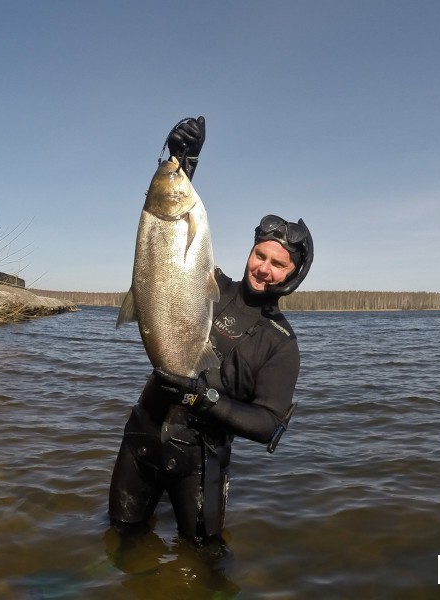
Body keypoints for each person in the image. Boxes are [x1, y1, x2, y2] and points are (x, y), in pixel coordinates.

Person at [108, 116, 313, 550]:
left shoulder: (280, 342)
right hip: (143, 436)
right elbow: (169, 251)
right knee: (120, 541)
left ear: (293, 275)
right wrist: (181, 162)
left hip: (200, 461)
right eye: (261, 255)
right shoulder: (210, 286)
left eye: (278, 264)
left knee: (203, 561)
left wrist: (205, 398)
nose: (263, 268)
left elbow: (268, 424)